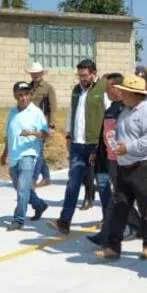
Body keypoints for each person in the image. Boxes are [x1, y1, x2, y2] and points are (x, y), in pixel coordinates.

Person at [94, 75, 147, 261]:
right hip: (124, 166)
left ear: (135, 94)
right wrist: (114, 138)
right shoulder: (125, 111)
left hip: (143, 167)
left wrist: (128, 147)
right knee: (120, 208)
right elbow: (123, 132)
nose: (121, 94)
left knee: (145, 208)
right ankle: (113, 247)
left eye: (124, 91)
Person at [50, 59, 108, 234]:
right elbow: (71, 112)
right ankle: (64, 221)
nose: (81, 79)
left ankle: (109, 220)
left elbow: (109, 117)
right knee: (73, 184)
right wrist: (68, 135)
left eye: (84, 75)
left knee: (103, 183)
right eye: (79, 76)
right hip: (77, 144)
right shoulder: (76, 90)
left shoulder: (103, 89)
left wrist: (102, 145)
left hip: (95, 145)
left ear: (93, 73)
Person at [87, 74, 143, 245]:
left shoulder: (125, 110)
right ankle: (138, 226)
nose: (106, 90)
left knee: (119, 198)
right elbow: (103, 132)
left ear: (118, 88)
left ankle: (111, 233)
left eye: (109, 87)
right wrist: (98, 151)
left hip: (123, 159)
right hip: (110, 158)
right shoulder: (111, 108)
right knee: (118, 197)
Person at [0, 82, 50, 230]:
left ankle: (19, 219)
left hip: (29, 154)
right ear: (15, 96)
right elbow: (9, 135)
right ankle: (39, 205)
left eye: (26, 95)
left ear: (30, 95)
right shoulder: (12, 112)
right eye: (20, 95)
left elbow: (46, 133)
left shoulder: (36, 113)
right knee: (21, 187)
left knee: (22, 188)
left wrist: (32, 133)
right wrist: (4, 154)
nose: (23, 98)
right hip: (14, 155)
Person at [28, 62, 57, 188]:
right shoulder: (28, 87)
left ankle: (33, 179)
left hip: (42, 124)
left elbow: (53, 107)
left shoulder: (48, 88)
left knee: (38, 152)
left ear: (41, 73)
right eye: (33, 73)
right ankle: (46, 177)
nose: (35, 75)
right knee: (38, 151)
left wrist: (51, 125)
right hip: (30, 123)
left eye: (37, 73)